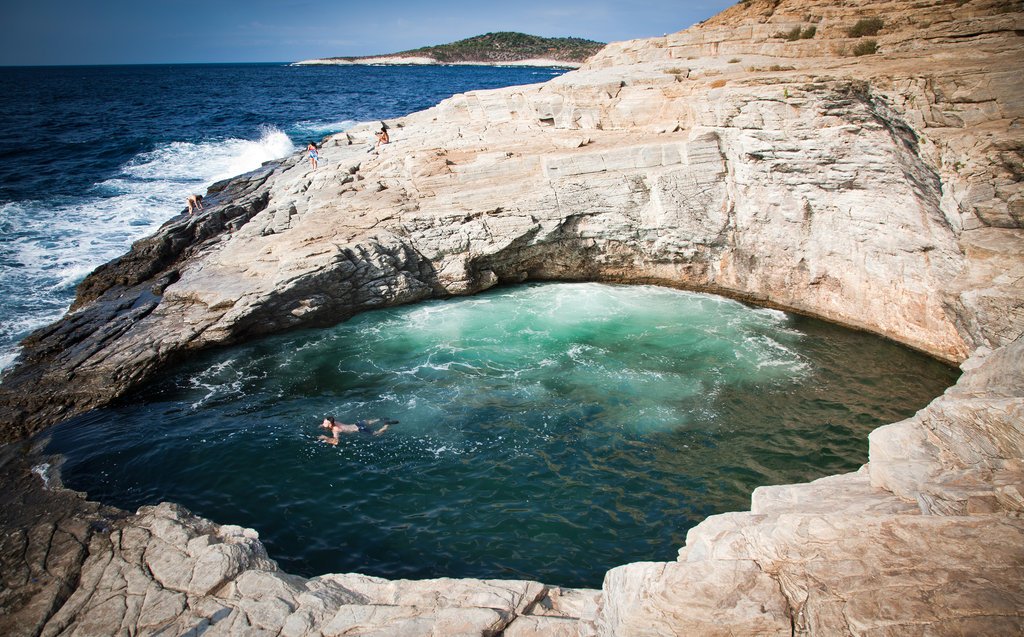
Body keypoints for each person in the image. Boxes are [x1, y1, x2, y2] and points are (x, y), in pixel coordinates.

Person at [318, 415, 395, 445]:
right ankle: (380, 419)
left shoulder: (335, 429)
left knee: (377, 434)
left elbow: (336, 442)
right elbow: (328, 422)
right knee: (369, 422)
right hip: (357, 424)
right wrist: (323, 425)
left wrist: (325, 438)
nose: (323, 424)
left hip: (359, 429)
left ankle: (386, 425)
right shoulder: (334, 422)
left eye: (325, 423)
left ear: (330, 424)